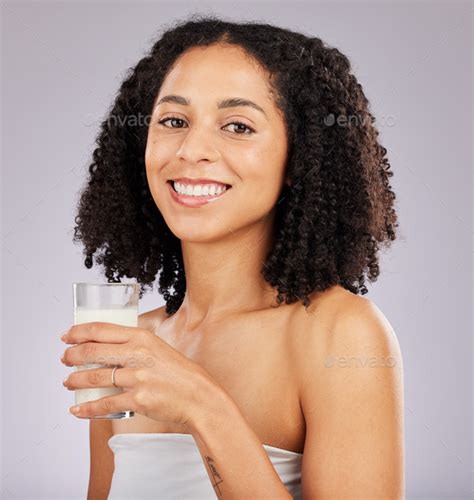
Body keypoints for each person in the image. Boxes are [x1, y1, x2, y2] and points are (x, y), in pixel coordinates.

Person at [69, 14, 404, 499]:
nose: (192, 149)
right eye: (174, 121)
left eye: (238, 126)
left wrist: (205, 407)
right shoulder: (130, 346)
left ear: (298, 159)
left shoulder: (339, 333)